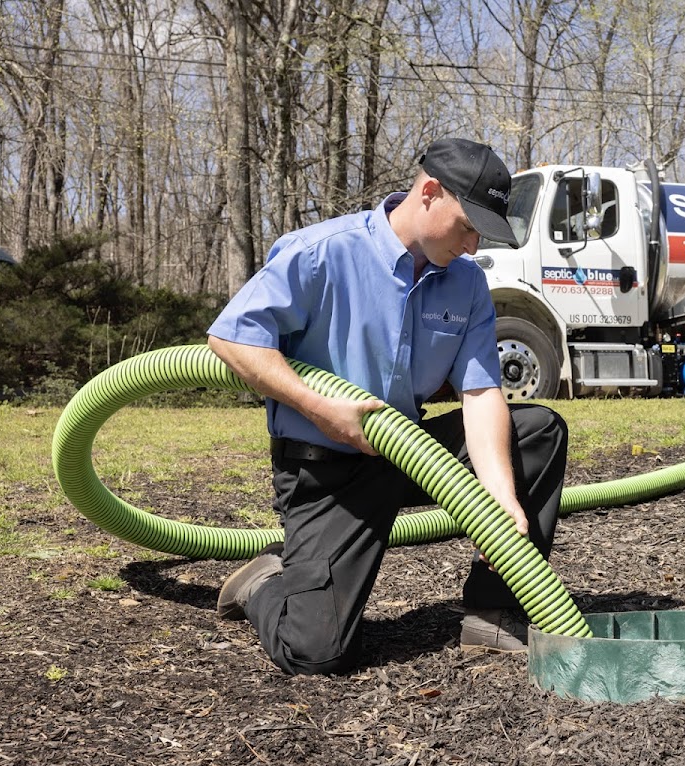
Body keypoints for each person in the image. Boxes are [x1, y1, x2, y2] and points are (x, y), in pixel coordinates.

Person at [206, 138, 568, 676]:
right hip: (325, 468)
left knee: (537, 429)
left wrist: (500, 501)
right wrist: (319, 406)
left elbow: (480, 392)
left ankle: (494, 610)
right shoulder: (322, 252)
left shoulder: (466, 282)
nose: (472, 246)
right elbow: (232, 339)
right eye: (468, 227)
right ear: (430, 193)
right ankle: (263, 582)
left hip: (407, 452)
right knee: (317, 652)